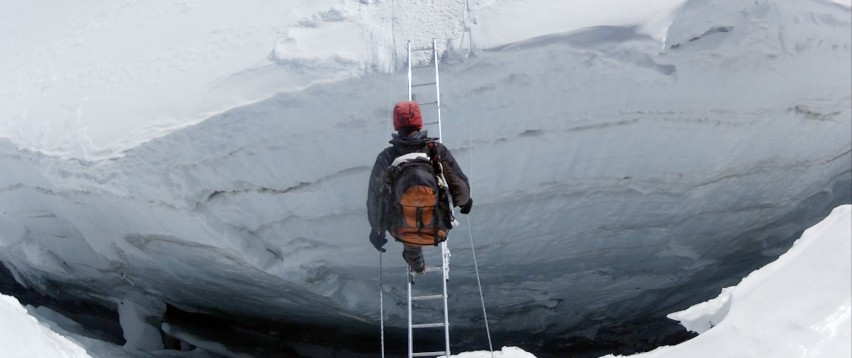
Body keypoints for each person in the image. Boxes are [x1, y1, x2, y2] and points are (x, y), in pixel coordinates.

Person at [367, 100, 473, 273]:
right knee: (429, 214)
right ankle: (419, 256)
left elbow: (375, 196)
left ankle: (417, 265)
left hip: (401, 225)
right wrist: (464, 201)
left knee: (410, 235)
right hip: (436, 221)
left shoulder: (388, 156)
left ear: (396, 125)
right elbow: (456, 180)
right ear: (419, 122)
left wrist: (376, 230)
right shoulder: (435, 150)